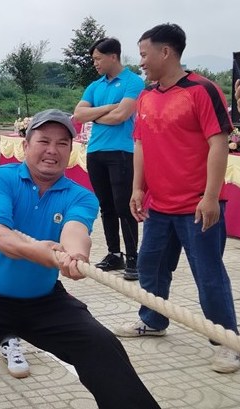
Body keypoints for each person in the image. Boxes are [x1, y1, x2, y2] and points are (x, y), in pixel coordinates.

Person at [0, 109, 160, 409]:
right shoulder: (0, 178)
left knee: (103, 346)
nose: (52, 150)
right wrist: (48, 254)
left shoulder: (81, 195)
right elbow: (0, 237)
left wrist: (76, 254)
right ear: (26, 145)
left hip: (45, 303)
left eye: (63, 143)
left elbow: (75, 231)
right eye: (44, 141)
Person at [114, 23, 240, 374]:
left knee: (209, 275)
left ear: (165, 52)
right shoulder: (146, 96)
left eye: (144, 54)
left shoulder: (202, 90)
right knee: (152, 268)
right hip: (160, 206)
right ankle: (153, 321)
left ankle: (227, 342)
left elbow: (219, 143)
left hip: (198, 206)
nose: (140, 62)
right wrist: (138, 188)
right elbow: (140, 143)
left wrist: (211, 196)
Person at [73, 37, 144, 281]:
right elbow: (79, 114)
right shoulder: (95, 86)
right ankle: (115, 253)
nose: (95, 63)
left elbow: (121, 116)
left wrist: (97, 114)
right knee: (106, 206)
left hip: (122, 152)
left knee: (124, 205)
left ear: (113, 56)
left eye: (98, 58)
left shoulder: (133, 81)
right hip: (95, 152)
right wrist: (107, 108)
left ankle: (134, 257)